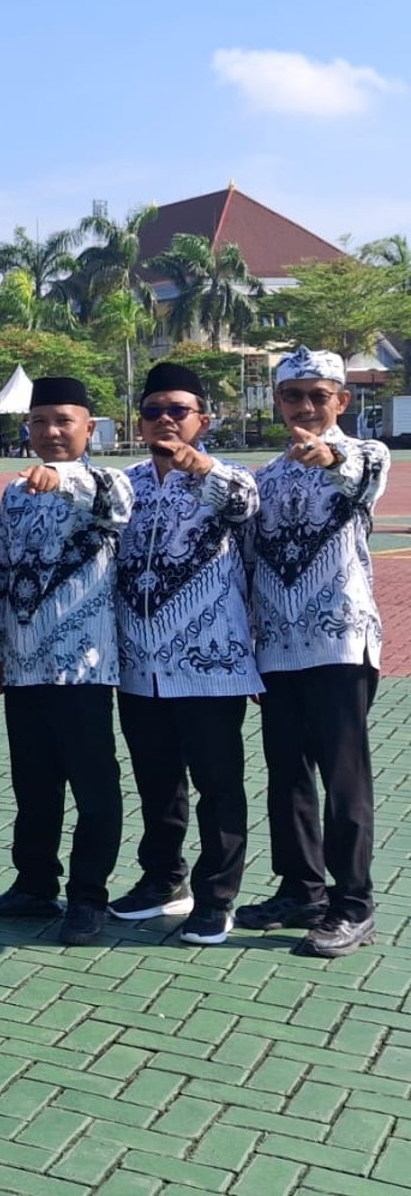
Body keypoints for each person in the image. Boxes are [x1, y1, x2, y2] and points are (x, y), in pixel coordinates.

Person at [240, 347, 388, 957]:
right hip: (277, 647)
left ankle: (353, 901)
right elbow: (246, 564)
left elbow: (353, 470)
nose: (304, 408)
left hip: (338, 641)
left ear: (342, 402)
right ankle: (301, 888)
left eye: (318, 396)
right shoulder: (264, 478)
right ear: (277, 402)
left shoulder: (366, 454)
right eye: (293, 396)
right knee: (287, 776)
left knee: (343, 777)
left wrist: (329, 454)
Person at [0, 378, 132, 947]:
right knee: (33, 784)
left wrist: (60, 476)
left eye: (64, 420)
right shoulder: (15, 492)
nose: (51, 432)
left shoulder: (110, 480)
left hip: (82, 666)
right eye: (39, 421)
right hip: (24, 667)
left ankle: (88, 897)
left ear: (90, 427)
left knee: (93, 786)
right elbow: (0, 569)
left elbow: (111, 505)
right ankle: (34, 884)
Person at [111, 362, 261, 946]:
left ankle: (218, 895)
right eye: (153, 410)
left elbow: (245, 506)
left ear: (203, 418)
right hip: (138, 667)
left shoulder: (230, 477)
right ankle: (164, 880)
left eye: (178, 410)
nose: (165, 420)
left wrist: (200, 468)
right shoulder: (127, 483)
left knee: (218, 784)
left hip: (210, 665)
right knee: (156, 781)